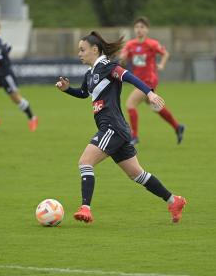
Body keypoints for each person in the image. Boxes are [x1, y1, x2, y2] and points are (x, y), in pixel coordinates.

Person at [55, 31, 187, 223]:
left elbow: (130, 77)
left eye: (82, 50)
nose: (79, 54)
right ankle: (174, 201)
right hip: (117, 129)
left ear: (95, 49)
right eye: (78, 50)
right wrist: (67, 90)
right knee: (137, 174)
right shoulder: (90, 74)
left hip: (112, 127)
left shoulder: (109, 67)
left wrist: (149, 94)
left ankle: (85, 208)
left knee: (85, 162)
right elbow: (84, 93)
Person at [120, 16, 185, 145]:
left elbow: (165, 53)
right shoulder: (130, 45)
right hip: (139, 81)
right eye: (137, 27)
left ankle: (134, 136)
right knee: (156, 107)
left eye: (142, 27)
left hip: (148, 80)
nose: (139, 30)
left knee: (130, 104)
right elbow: (123, 60)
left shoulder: (152, 44)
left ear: (147, 30)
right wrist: (122, 58)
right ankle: (177, 127)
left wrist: (162, 65)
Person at [0, 19, 38, 131]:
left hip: (6, 76)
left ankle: (33, 118)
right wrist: (4, 50)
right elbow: (6, 50)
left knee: (16, 99)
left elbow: (0, 58)